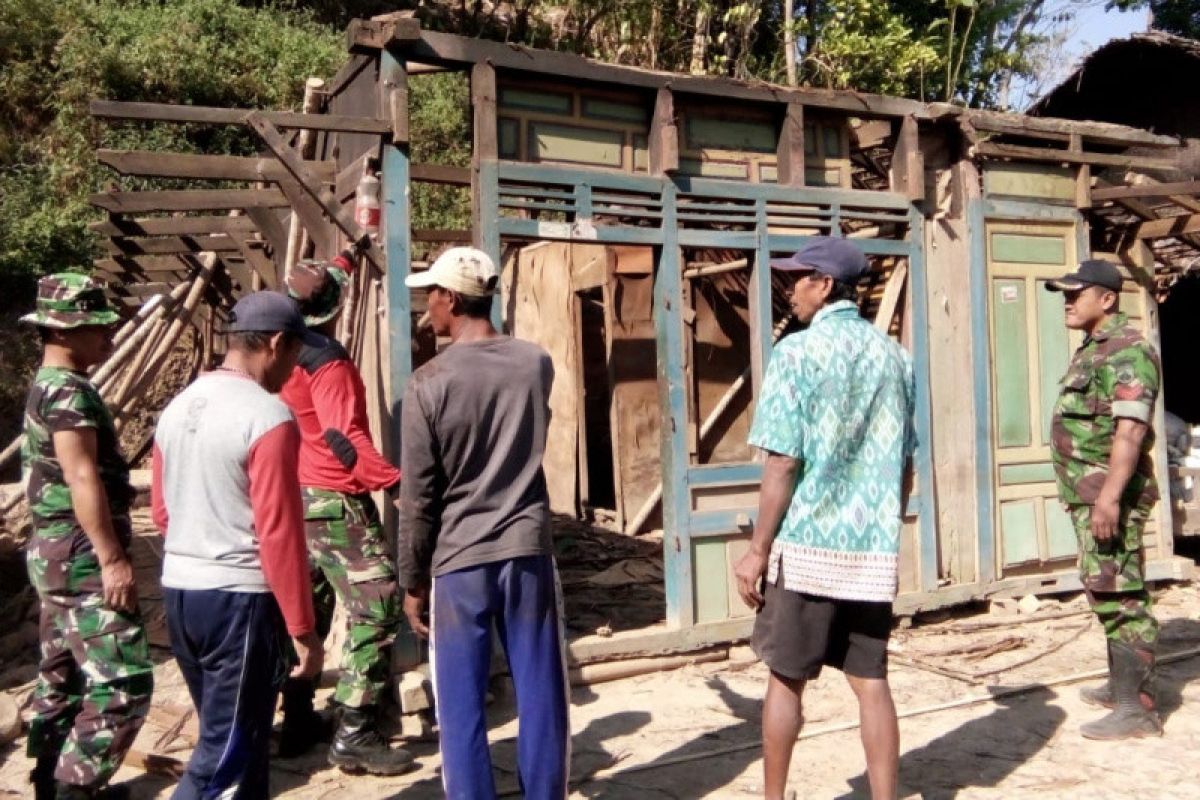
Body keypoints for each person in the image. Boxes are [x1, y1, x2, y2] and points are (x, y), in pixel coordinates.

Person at [733, 237, 914, 800]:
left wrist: (758, 549)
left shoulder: (797, 353)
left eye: (800, 277)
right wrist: (884, 526)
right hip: (869, 553)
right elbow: (905, 461)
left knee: (786, 679)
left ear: (826, 284)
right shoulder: (897, 358)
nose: (792, 289)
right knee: (872, 681)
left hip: (809, 548)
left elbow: (783, 461)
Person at [398, 247, 570, 800]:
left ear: (450, 298)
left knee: (462, 703)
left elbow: (420, 494)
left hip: (459, 560)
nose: (428, 308)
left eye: (431, 296)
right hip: (526, 549)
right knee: (541, 688)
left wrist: (412, 578)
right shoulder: (534, 362)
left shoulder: (429, 382)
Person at [151, 291, 325, 799]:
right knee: (220, 756)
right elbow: (279, 532)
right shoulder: (267, 416)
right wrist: (303, 629)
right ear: (276, 343)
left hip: (182, 592)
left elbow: (163, 512)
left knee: (241, 739)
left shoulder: (176, 408)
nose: (295, 369)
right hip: (238, 602)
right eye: (296, 355)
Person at [20, 274, 154, 800]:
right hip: (78, 554)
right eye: (98, 327)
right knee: (125, 681)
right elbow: (81, 476)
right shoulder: (68, 392)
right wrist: (112, 558)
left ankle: (48, 782)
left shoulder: (45, 384)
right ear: (65, 331)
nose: (109, 337)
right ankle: (77, 788)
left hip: (52, 552)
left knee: (62, 674)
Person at [278, 253, 412, 774]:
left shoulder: (284, 349)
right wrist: (393, 482)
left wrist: (348, 257)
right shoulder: (328, 361)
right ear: (337, 309)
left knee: (307, 611)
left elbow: (324, 278)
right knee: (377, 604)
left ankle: (296, 720)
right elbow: (342, 436)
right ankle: (356, 732)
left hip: (295, 496)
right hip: (333, 497)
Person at [1046, 259, 1163, 739]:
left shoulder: (1129, 351)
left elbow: (1130, 432)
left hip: (1110, 496)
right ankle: (1122, 687)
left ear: (1108, 298)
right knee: (1105, 586)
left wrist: (1110, 498)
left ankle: (1137, 711)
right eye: (1064, 294)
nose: (1068, 302)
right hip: (1090, 493)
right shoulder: (1096, 348)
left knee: (1123, 595)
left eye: (1077, 293)